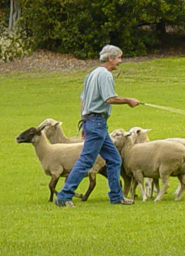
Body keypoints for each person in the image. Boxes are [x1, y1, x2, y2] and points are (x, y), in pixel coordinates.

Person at [54, 44, 140, 207]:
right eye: (119, 58)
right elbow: (110, 98)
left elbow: (83, 101)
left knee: (114, 159)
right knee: (86, 161)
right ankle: (64, 196)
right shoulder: (105, 75)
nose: (120, 61)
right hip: (97, 123)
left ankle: (116, 196)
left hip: (91, 122)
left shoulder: (92, 74)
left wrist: (84, 122)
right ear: (110, 58)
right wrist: (129, 100)